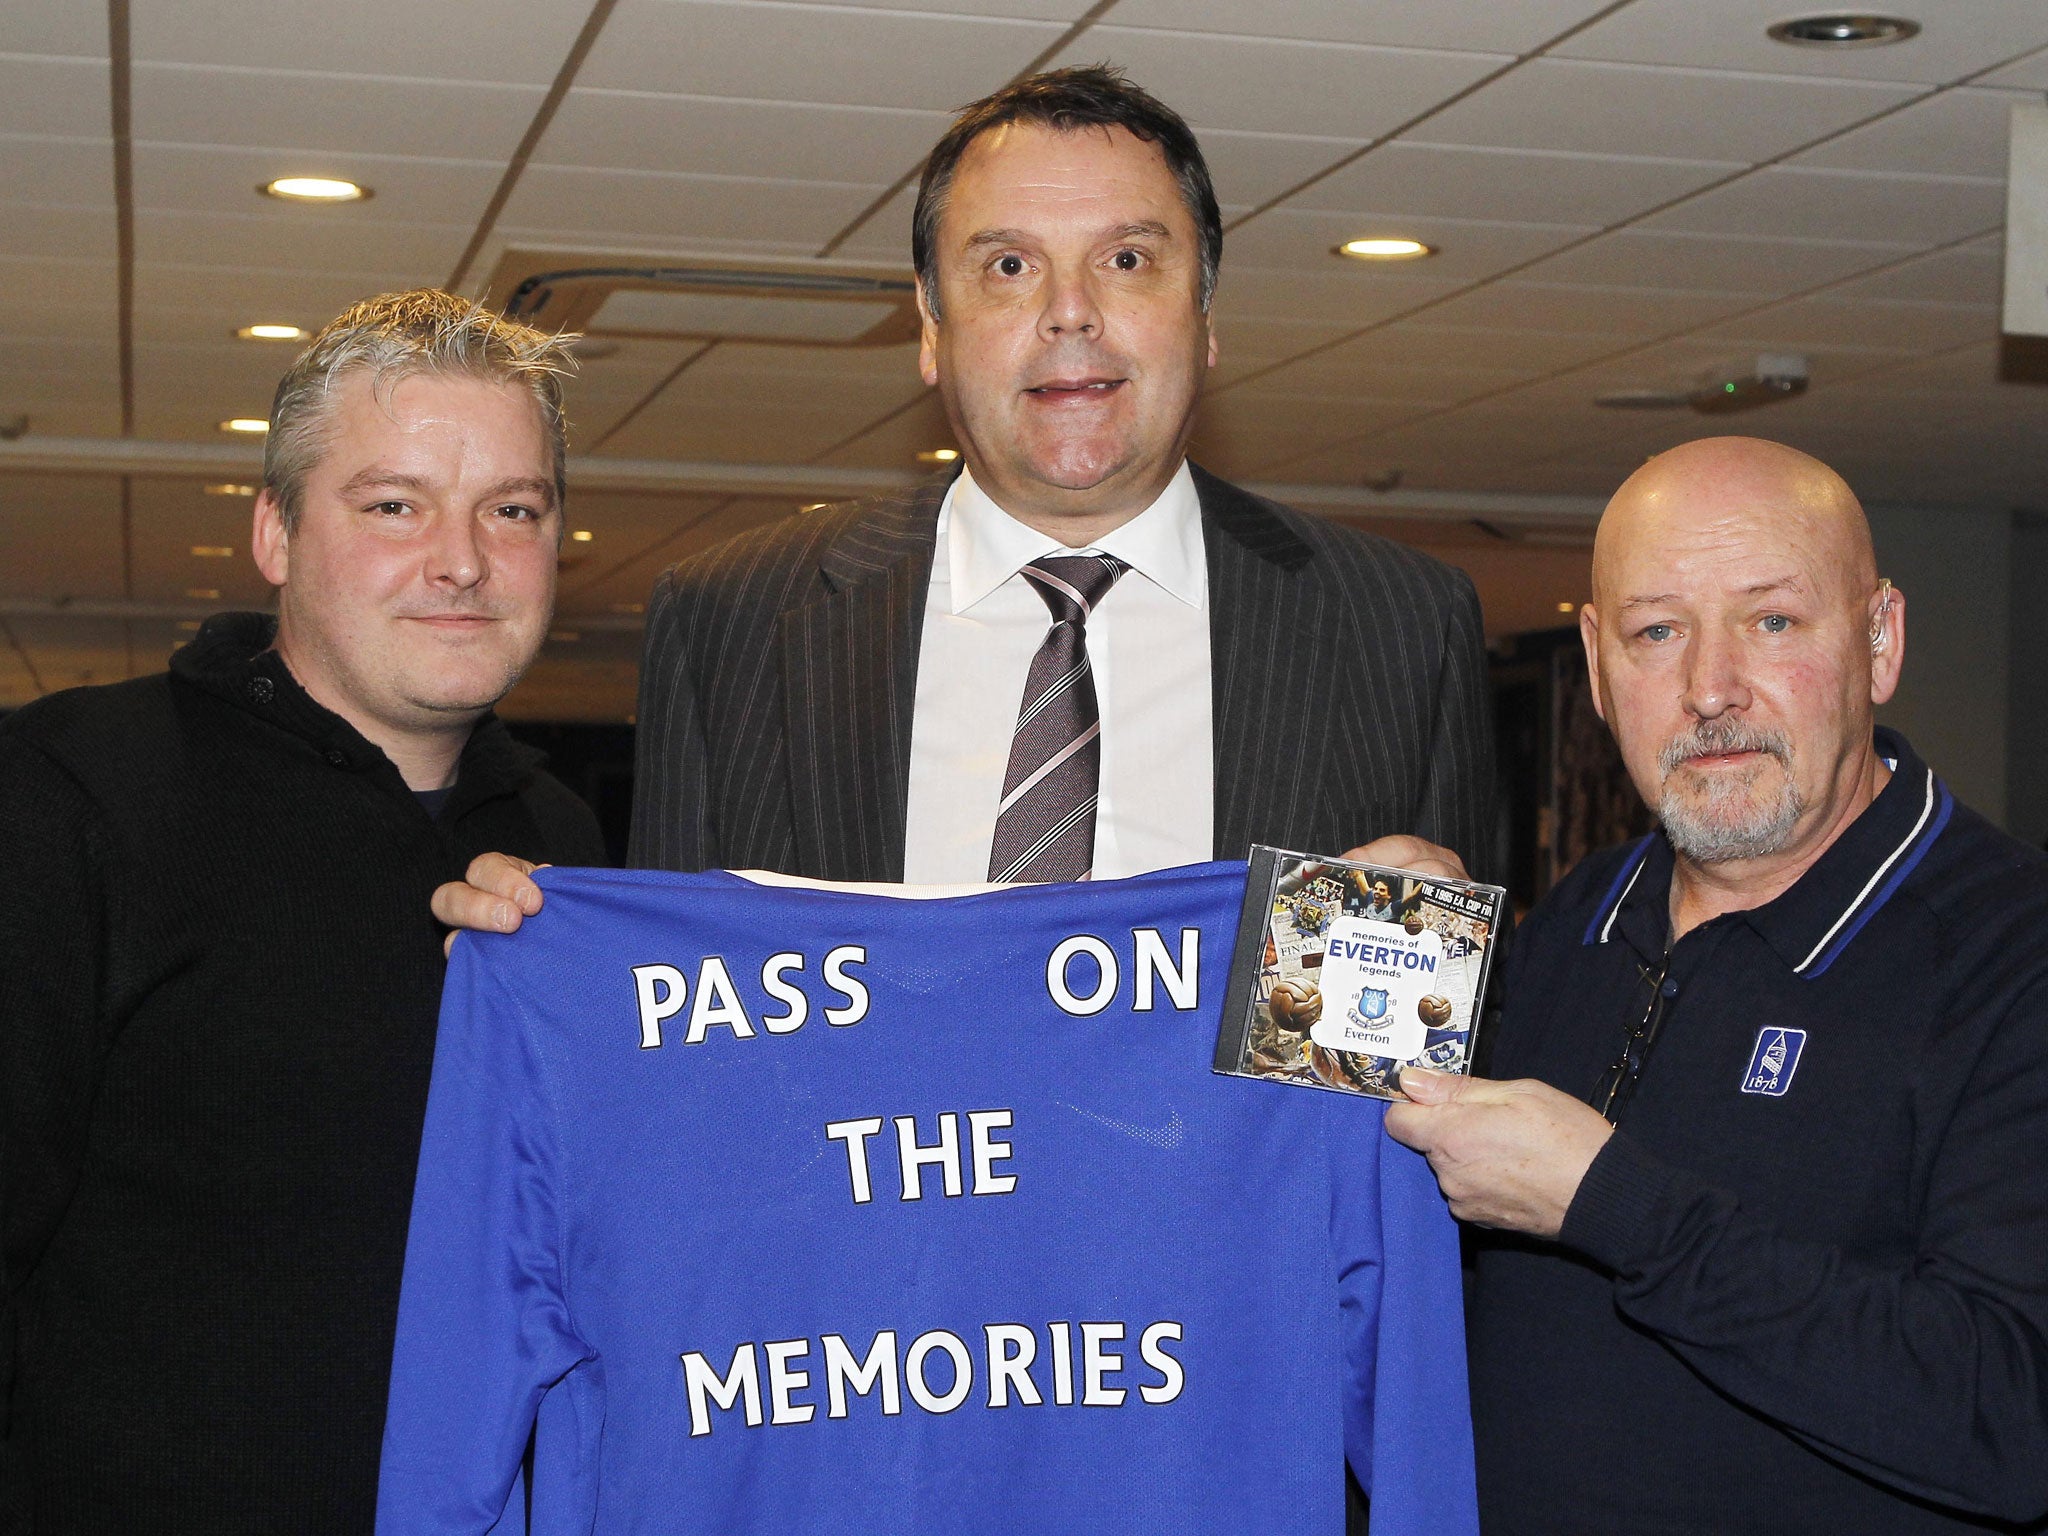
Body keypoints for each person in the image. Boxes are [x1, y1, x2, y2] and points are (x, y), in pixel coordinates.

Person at [437, 65, 1495, 942]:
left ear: (1205, 316)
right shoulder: (735, 622)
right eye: (1006, 266)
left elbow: (1430, 1082)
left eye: (1126, 260)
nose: (1068, 314)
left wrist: (1422, 960)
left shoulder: (1399, 626)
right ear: (931, 330)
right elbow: (672, 1016)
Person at [0, 290, 606, 1533]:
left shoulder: (565, 849)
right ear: (274, 533)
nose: (462, 560)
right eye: (394, 505)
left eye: (513, 509)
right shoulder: (69, 795)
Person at [1385, 435, 2048, 1533]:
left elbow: (2011, 1421)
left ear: (1878, 641)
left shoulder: (2010, 953)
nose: (1708, 690)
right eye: (1656, 633)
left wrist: (1616, 1206)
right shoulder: (1569, 926)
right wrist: (1340, 950)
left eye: (1771, 621)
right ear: (1597, 670)